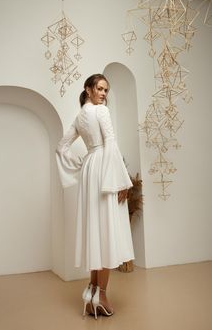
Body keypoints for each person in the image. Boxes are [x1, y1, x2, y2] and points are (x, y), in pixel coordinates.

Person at [56, 74, 135, 319]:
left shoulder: (80, 117)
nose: (103, 94)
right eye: (99, 89)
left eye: (106, 90)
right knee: (107, 231)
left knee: (95, 231)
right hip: (105, 170)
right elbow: (111, 143)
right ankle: (100, 294)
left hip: (91, 169)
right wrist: (122, 181)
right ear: (88, 89)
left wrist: (83, 163)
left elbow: (61, 147)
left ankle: (91, 292)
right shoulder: (102, 112)